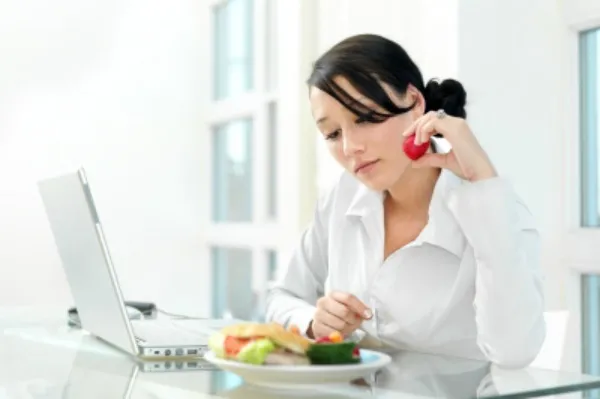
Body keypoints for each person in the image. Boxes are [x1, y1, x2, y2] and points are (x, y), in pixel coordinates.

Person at [265, 33, 545, 368]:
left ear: (414, 102)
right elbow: (281, 297)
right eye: (332, 134)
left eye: (365, 118)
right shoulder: (342, 196)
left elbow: (514, 353)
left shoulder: (496, 211)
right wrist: (313, 320)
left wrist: (483, 183)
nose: (350, 147)